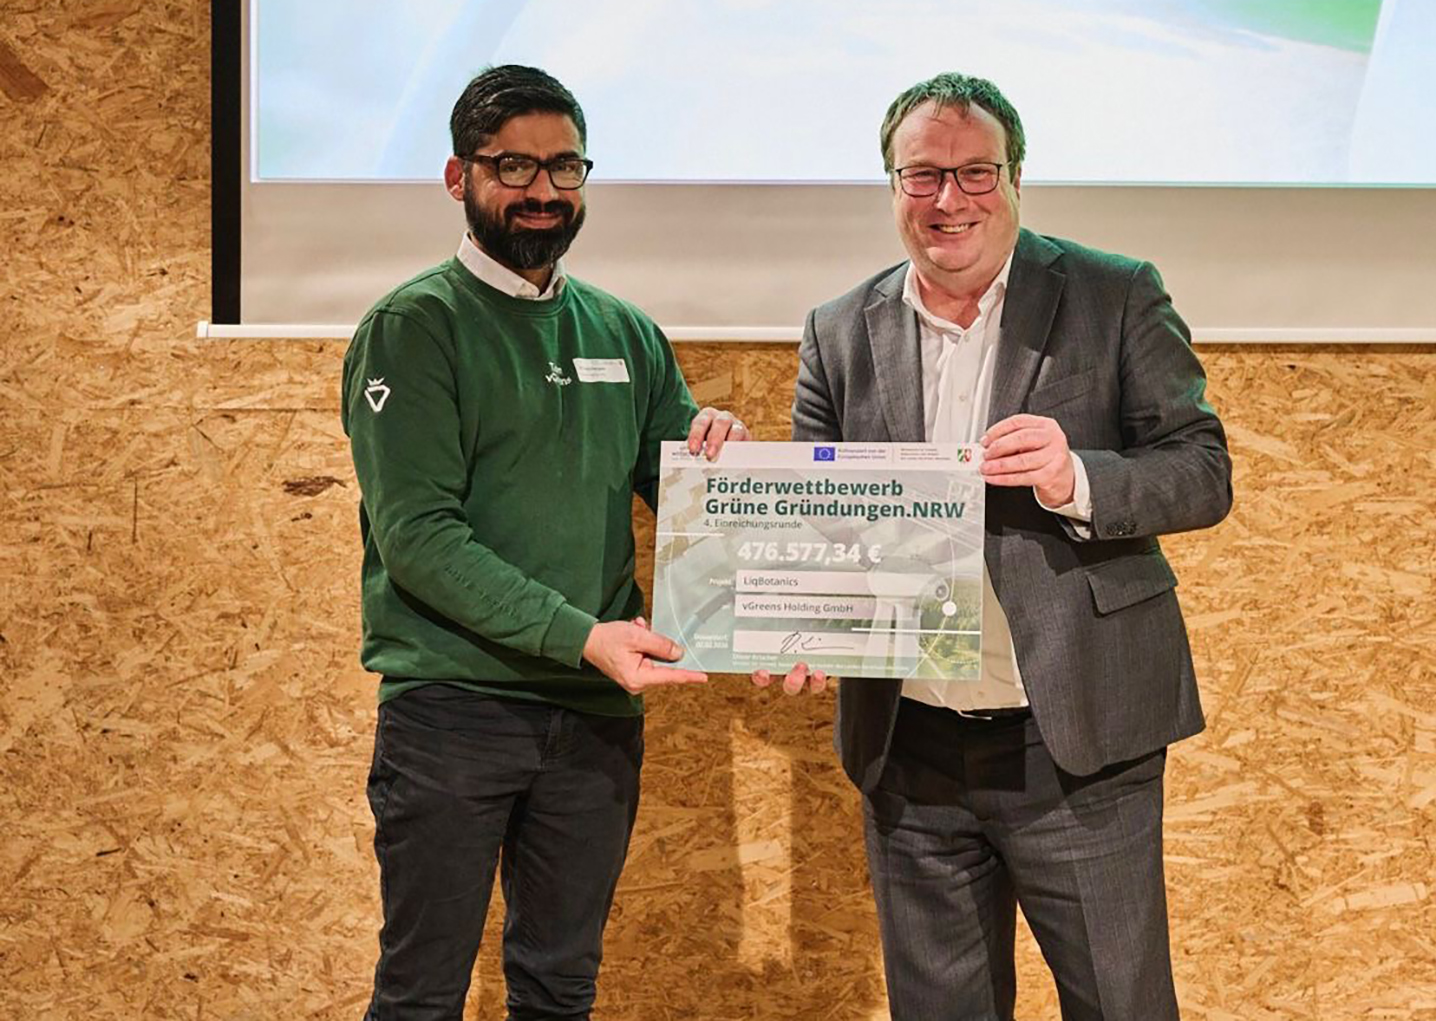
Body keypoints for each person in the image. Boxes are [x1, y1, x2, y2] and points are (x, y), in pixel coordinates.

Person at [786, 72, 1233, 1020]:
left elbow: (1202, 470)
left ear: (1017, 178)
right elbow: (823, 524)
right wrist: (803, 627)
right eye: (922, 176)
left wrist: (1078, 477)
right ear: (892, 186)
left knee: (1122, 1005)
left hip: (1075, 745)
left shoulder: (1114, 295)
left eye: (975, 172)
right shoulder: (837, 332)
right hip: (909, 753)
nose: (949, 199)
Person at [341, 65, 752, 1020]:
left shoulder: (626, 332)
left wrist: (720, 459)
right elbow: (420, 539)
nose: (542, 192)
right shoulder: (414, 329)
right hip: (452, 713)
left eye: (565, 168)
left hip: (593, 723)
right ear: (458, 178)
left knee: (561, 988)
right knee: (419, 994)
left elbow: (690, 503)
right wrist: (585, 633)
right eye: (513, 167)